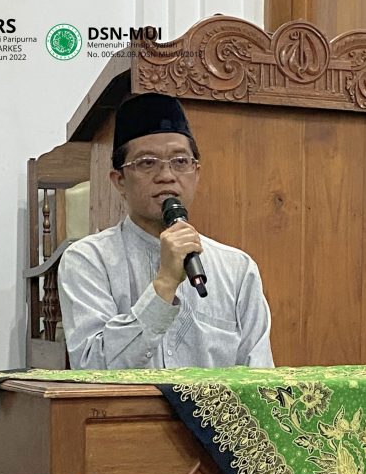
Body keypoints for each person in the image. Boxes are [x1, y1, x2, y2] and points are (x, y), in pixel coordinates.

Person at [57, 93, 274, 370]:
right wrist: (166, 282)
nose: (166, 176)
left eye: (180, 161)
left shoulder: (237, 269)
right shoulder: (87, 260)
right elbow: (92, 370)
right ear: (119, 180)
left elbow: (260, 376)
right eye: (147, 163)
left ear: (196, 172)